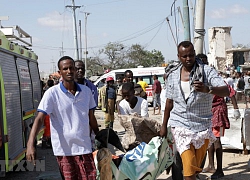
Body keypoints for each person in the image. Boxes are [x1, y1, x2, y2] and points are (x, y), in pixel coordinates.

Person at [160, 41, 229, 180]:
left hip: (202, 127)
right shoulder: (172, 75)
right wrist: (163, 125)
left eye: (191, 55)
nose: (188, 59)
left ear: (194, 54)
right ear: (179, 56)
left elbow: (226, 91)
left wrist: (207, 89)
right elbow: (169, 102)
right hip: (180, 125)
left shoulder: (206, 71)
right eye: (184, 56)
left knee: (196, 169)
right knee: (189, 169)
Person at [26, 56, 99, 180]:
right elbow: (39, 118)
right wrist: (30, 144)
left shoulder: (86, 92)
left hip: (85, 147)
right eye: (65, 69)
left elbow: (91, 117)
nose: (69, 71)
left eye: (71, 68)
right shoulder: (52, 93)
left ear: (75, 70)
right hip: (64, 151)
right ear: (60, 73)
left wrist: (99, 136)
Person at [203, 83, 240, 179]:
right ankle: (211, 165)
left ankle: (219, 170)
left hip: (219, 110)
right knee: (209, 138)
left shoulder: (218, 81)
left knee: (216, 139)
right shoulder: (203, 80)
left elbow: (231, 93)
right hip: (208, 110)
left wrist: (236, 108)